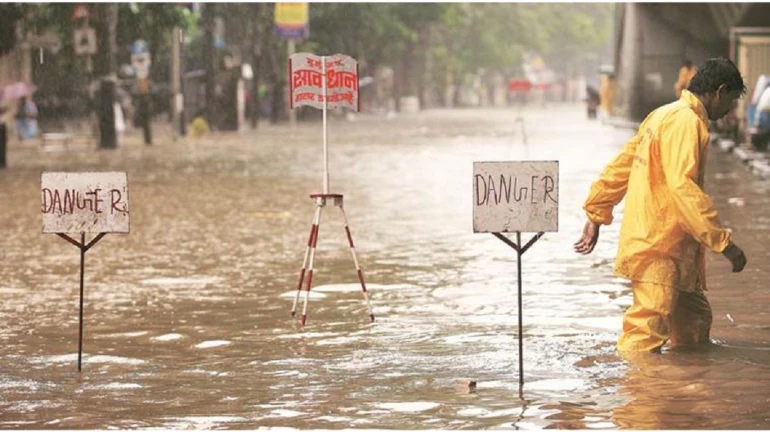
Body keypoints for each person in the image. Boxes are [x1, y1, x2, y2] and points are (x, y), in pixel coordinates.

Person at [574, 57, 749, 353]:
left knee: (694, 325)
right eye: (731, 100)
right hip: (660, 247)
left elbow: (622, 165)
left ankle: (679, 391)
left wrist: (597, 211)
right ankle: (641, 395)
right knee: (644, 335)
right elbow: (684, 188)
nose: (730, 109)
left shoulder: (662, 115)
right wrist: (723, 243)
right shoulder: (688, 122)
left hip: (674, 247)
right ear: (719, 91)